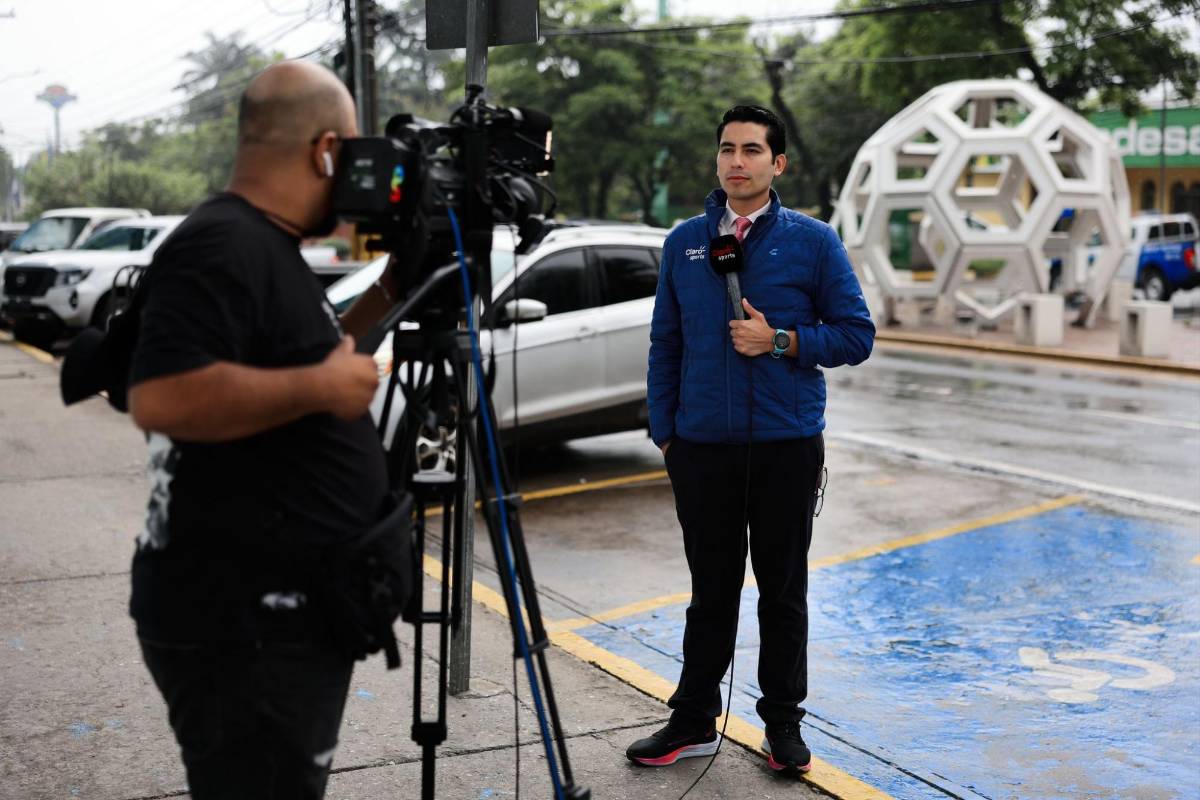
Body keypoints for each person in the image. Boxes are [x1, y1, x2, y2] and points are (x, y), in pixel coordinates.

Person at [126, 61, 403, 799]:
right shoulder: (220, 243)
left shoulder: (261, 245)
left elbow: (291, 352)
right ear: (324, 152)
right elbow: (159, 396)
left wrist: (386, 295)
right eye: (350, 156)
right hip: (241, 626)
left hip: (270, 617)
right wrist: (320, 386)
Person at [627, 105, 875, 775]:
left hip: (784, 446)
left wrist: (783, 341)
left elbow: (857, 335)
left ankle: (783, 726)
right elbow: (665, 344)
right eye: (728, 149)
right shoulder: (684, 241)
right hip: (700, 448)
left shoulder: (814, 241)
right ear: (717, 160)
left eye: (753, 150)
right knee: (711, 590)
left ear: (778, 164)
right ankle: (693, 719)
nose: (738, 160)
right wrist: (667, 435)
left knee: (782, 590)